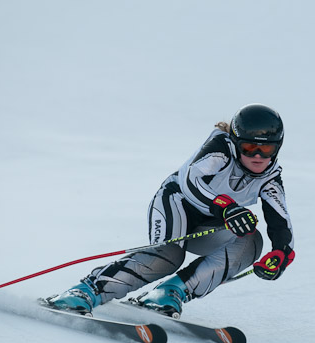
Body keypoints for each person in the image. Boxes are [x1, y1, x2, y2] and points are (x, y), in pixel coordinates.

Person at [47, 103, 295, 317]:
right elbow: (190, 181)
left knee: (252, 240)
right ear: (236, 142)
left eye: (268, 150)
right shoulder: (220, 149)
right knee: (168, 256)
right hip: (176, 203)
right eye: (250, 148)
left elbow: (282, 224)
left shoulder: (270, 179)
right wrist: (227, 208)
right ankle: (86, 291)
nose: (259, 157)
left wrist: (281, 256)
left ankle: (169, 292)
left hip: (211, 223)